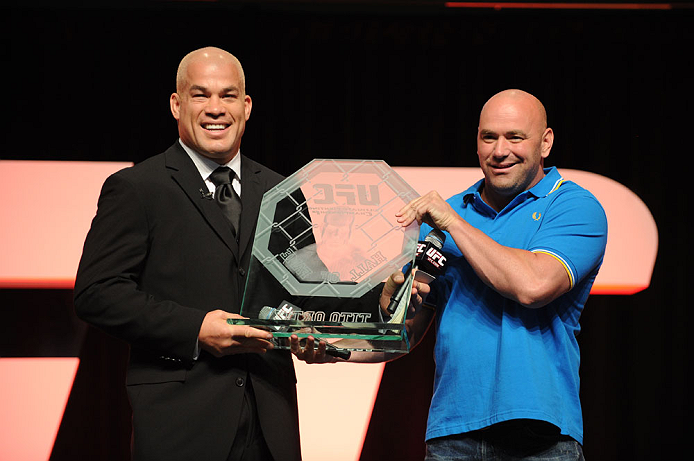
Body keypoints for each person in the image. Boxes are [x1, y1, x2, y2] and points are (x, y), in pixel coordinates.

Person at [292, 89, 607, 460]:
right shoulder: (444, 219)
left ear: (546, 142)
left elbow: (533, 285)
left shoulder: (573, 206)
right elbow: (404, 332)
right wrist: (335, 347)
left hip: (542, 437)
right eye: (489, 137)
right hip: (452, 435)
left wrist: (453, 223)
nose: (500, 150)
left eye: (515, 137)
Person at [74, 47, 301, 461]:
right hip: (180, 426)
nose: (216, 108)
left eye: (228, 95)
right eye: (201, 95)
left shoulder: (281, 190)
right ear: (176, 104)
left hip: (270, 424)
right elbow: (96, 292)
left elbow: (302, 293)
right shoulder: (138, 187)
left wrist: (350, 315)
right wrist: (195, 328)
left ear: (246, 106)